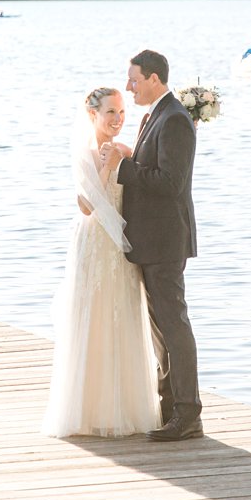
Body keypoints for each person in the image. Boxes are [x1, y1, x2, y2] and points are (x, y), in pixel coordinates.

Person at [40, 87, 159, 438]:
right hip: (95, 244)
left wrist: (122, 158)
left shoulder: (125, 149)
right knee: (95, 316)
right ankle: (89, 409)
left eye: (122, 112)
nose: (118, 119)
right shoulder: (84, 153)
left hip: (121, 248)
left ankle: (124, 407)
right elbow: (86, 205)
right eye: (111, 112)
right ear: (93, 114)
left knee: (121, 315)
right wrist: (107, 166)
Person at [102, 49, 203, 442]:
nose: (129, 86)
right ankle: (169, 407)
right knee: (162, 328)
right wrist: (131, 155)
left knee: (174, 325)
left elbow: (169, 183)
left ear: (155, 79)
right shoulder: (155, 115)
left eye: (134, 80)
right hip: (152, 240)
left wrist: (123, 169)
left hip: (165, 241)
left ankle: (187, 413)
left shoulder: (175, 119)